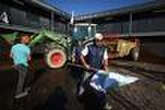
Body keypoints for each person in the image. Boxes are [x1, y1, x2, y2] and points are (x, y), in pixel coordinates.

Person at [78, 33, 111, 110]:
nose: (99, 42)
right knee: (84, 83)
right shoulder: (89, 47)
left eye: (100, 41)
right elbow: (81, 56)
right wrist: (85, 64)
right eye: (97, 40)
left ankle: (104, 104)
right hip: (88, 70)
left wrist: (106, 67)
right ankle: (80, 96)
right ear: (94, 41)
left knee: (102, 88)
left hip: (98, 71)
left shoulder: (104, 49)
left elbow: (105, 59)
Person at [10, 34, 31, 99]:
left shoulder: (14, 47)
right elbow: (29, 58)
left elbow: (11, 56)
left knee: (25, 77)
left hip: (16, 65)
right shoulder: (27, 48)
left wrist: (17, 58)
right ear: (24, 40)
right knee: (21, 79)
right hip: (23, 65)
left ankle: (25, 87)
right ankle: (18, 93)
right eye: (27, 39)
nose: (29, 40)